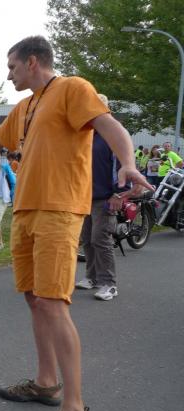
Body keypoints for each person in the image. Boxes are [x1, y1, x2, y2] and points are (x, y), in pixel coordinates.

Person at [0, 36, 151, 411]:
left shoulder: (72, 89)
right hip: (25, 211)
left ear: (33, 62)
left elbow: (111, 127)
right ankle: (45, 382)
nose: (8, 75)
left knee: (54, 304)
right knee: (34, 298)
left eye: (12, 67)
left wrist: (128, 164)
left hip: (59, 209)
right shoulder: (25, 107)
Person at [76, 94, 135, 301]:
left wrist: (119, 193)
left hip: (106, 197)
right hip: (85, 197)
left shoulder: (112, 133)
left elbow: (122, 164)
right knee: (87, 239)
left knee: (100, 239)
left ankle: (109, 284)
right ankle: (91, 277)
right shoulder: (88, 134)